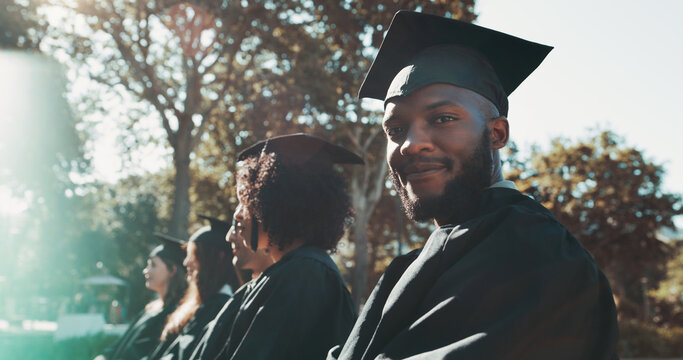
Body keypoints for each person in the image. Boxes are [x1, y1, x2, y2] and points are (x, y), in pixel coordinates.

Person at [329, 11, 620, 360]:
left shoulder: (537, 255)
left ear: (497, 133)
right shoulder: (413, 265)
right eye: (395, 130)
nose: (410, 144)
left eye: (443, 118)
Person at [191, 133, 361, 360]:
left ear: (270, 205)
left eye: (245, 201)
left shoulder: (305, 273)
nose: (239, 216)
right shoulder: (292, 271)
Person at [147, 215, 240, 360]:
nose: (186, 262)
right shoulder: (201, 304)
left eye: (193, 255)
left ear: (215, 259)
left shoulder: (220, 307)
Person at [95, 239, 187, 360]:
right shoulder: (150, 309)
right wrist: (103, 356)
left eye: (153, 265)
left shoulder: (175, 314)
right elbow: (122, 343)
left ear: (172, 270)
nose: (145, 271)